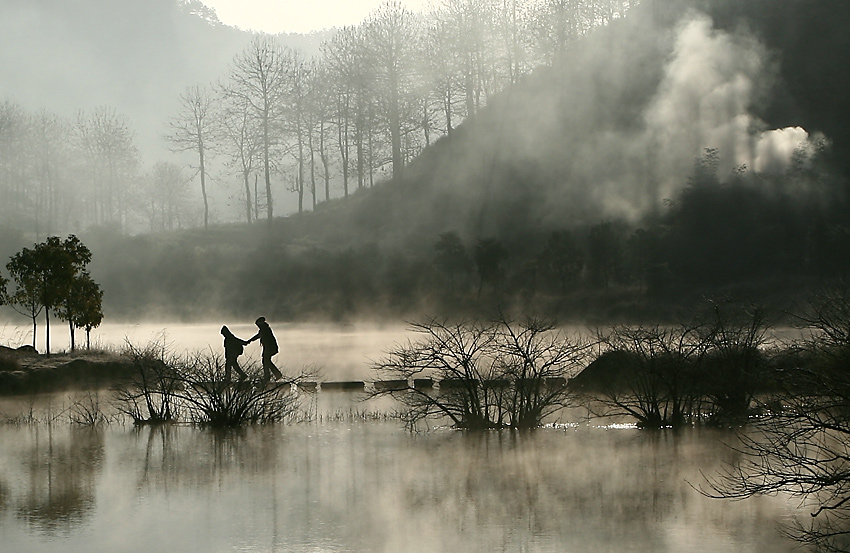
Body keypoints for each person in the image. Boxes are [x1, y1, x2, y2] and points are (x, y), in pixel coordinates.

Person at [248, 317, 283, 382]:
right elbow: (258, 336)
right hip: (268, 347)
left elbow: (258, 336)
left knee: (265, 361)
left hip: (269, 347)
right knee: (266, 361)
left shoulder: (265, 329)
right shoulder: (264, 329)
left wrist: (248, 341)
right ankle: (274, 375)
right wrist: (249, 341)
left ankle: (268, 377)